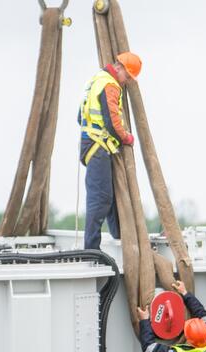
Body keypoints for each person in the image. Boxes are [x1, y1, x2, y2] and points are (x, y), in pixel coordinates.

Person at [78, 51, 142, 250]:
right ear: (120, 68)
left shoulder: (97, 79)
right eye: (128, 77)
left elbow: (80, 116)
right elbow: (113, 123)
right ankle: (91, 250)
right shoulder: (110, 85)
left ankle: (120, 238)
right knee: (101, 199)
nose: (127, 82)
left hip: (94, 144)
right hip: (97, 146)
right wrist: (126, 137)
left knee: (110, 196)